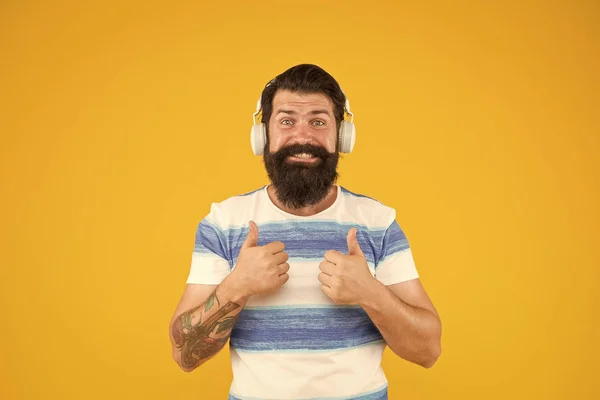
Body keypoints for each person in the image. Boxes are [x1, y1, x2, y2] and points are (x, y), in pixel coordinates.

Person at [169, 64, 442, 400]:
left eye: (318, 121)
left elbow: (427, 351)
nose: (302, 137)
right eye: (286, 121)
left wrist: (370, 292)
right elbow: (184, 355)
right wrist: (237, 287)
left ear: (341, 136)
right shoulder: (223, 222)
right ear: (263, 136)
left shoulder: (377, 222)